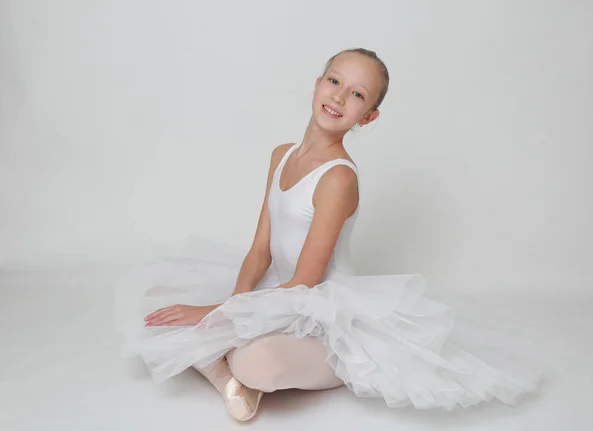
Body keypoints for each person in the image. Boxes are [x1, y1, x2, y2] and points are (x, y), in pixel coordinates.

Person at [116, 48, 543, 422]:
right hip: (274, 290)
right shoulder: (282, 155)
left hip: (321, 312)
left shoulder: (338, 178)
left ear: (369, 115)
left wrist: (219, 318)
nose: (339, 96)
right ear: (318, 83)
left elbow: (306, 281)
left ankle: (243, 371)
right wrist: (230, 308)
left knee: (257, 360)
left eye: (357, 94)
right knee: (160, 300)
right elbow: (261, 249)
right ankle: (230, 381)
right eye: (335, 81)